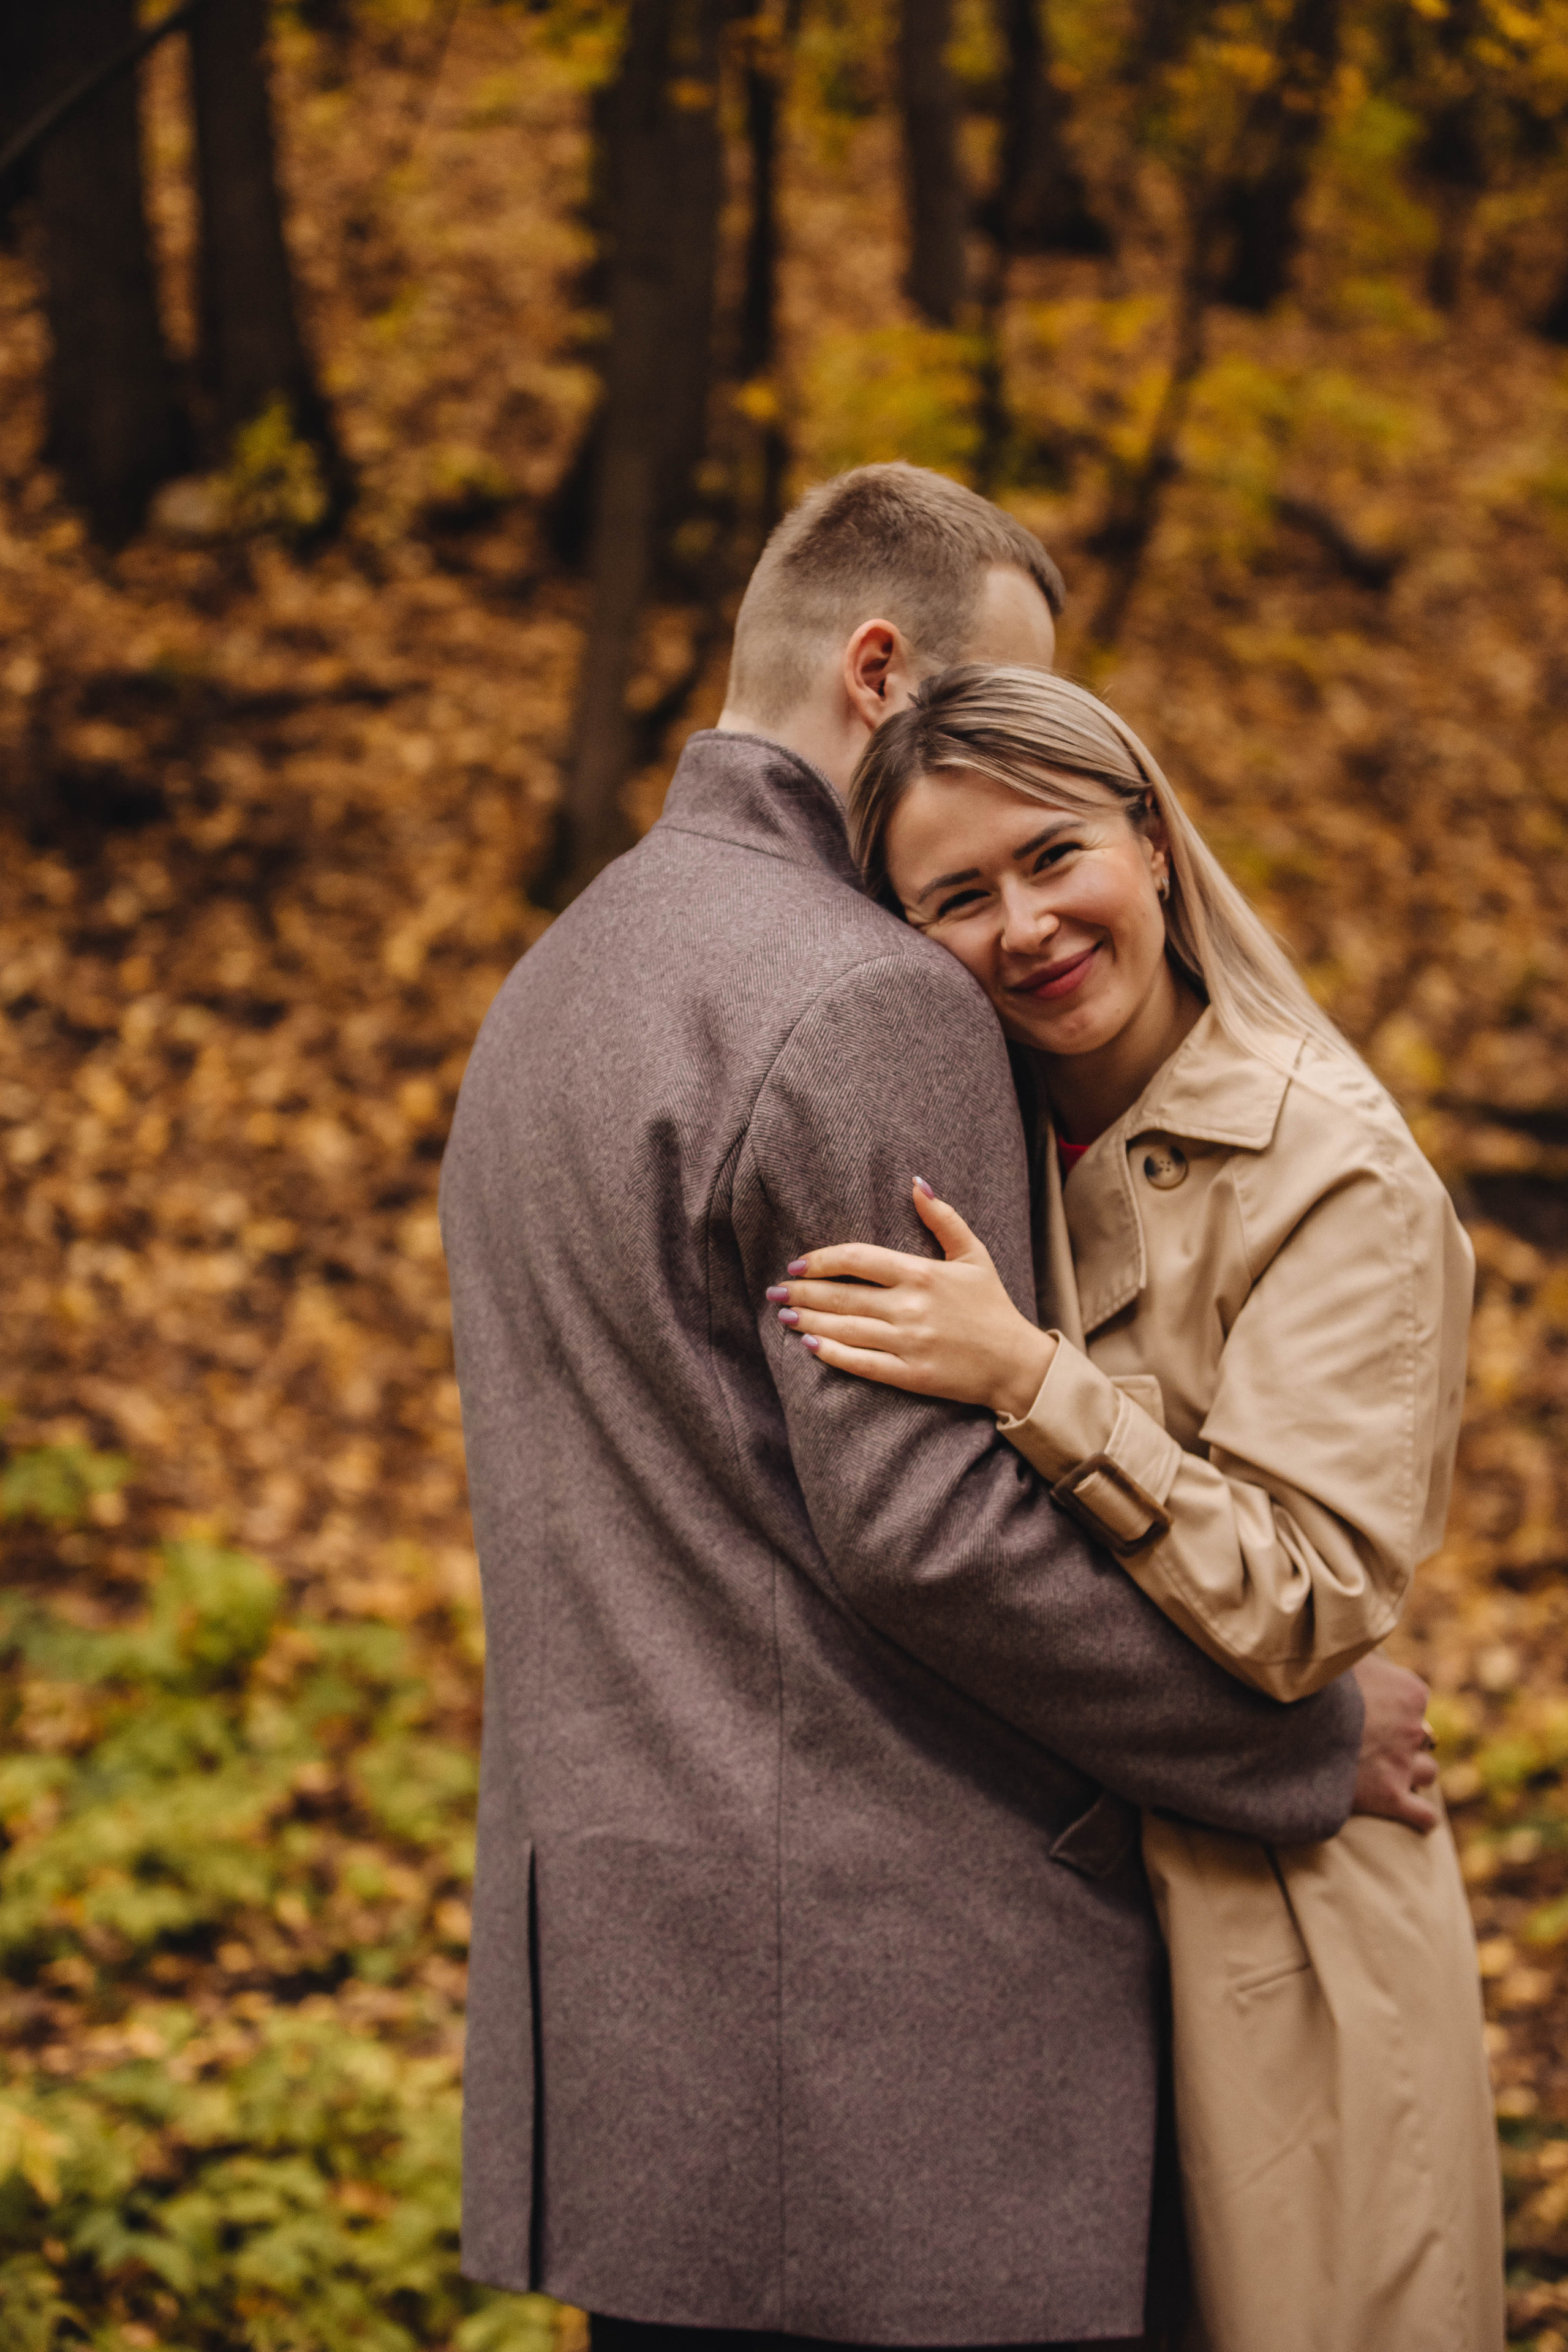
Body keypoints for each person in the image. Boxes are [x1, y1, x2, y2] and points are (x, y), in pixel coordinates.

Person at [439, 463, 1434, 2352]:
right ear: (885, 673)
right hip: (897, 2068)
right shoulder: (869, 996)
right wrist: (1295, 1750)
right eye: (1002, 697)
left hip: (640, 2041)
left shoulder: (556, 981)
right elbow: (929, 1535)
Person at [773, 662, 1504, 2351]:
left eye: (1056, 857)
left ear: (1155, 844)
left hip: (1287, 1933)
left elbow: (1309, 1598)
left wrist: (1032, 1380)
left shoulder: (1336, 1170)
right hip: (1047, 1943)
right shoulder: (981, 1135)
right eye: (959, 896)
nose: (1026, 927)